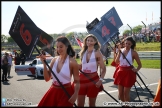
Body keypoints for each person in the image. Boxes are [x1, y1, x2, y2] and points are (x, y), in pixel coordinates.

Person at [38, 36, 80, 107]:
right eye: (57, 47)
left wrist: (75, 94)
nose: (58, 49)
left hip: (66, 93)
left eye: (61, 47)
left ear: (67, 46)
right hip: (53, 91)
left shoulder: (72, 62)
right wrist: (44, 64)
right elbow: (47, 79)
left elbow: (77, 81)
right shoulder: (54, 60)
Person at [77, 34, 106, 107]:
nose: (89, 42)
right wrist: (72, 64)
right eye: (88, 40)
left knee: (91, 104)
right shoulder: (83, 52)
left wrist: (100, 80)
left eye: (91, 41)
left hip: (93, 79)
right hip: (82, 79)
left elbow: (103, 68)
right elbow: (82, 66)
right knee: (80, 104)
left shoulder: (97, 53)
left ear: (95, 42)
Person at [114, 36, 142, 103]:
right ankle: (125, 104)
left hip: (129, 73)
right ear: (124, 43)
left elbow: (140, 65)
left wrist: (136, 69)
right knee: (120, 95)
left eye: (129, 44)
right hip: (120, 72)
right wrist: (119, 53)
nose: (127, 45)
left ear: (132, 44)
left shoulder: (134, 53)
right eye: (126, 43)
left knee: (126, 93)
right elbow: (116, 62)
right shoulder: (121, 50)